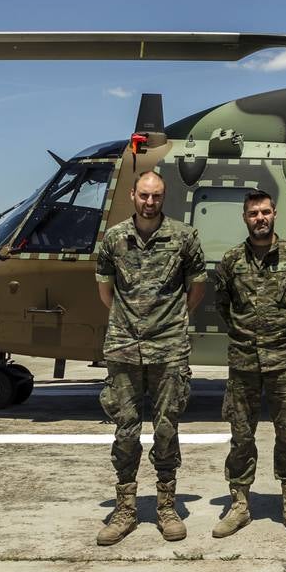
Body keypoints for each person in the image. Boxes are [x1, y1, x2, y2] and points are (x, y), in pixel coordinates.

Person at [93, 169, 208, 546]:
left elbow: (197, 288)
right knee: (125, 429)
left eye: (156, 196)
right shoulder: (113, 239)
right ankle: (125, 508)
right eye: (144, 195)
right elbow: (106, 292)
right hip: (124, 347)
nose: (149, 202)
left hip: (169, 347)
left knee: (166, 428)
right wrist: (130, 324)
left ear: (164, 198)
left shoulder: (184, 237)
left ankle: (166, 506)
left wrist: (171, 322)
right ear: (133, 195)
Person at [211, 189, 286, 538]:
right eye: (253, 213)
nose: (260, 218)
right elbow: (222, 305)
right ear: (245, 218)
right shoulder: (230, 261)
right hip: (243, 360)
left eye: (265, 212)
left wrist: (283, 332)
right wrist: (247, 333)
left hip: (283, 359)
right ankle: (240, 503)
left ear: (275, 214)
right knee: (241, 435)